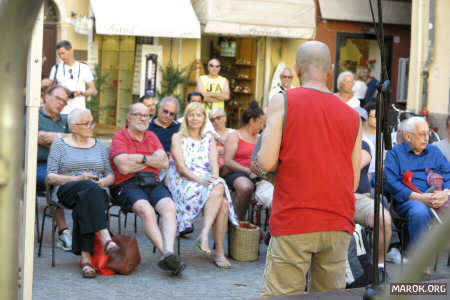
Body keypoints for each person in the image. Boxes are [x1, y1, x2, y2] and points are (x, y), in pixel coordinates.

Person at [256, 41, 362, 296]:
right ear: (331, 70)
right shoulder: (352, 116)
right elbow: (354, 182)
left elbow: (267, 162)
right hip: (337, 220)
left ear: (296, 68)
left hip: (296, 217)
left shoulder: (283, 101)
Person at [109, 103, 185, 275]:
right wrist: (150, 159)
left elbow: (164, 163)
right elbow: (123, 168)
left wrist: (138, 158)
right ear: (128, 117)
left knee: (169, 207)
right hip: (127, 184)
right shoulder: (119, 137)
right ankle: (167, 255)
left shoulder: (151, 136)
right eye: (138, 115)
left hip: (152, 182)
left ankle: (169, 253)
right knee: (147, 210)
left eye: (146, 116)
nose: (143, 119)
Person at [46, 108, 119, 278]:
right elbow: (50, 177)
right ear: (73, 127)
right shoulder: (59, 145)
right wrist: (78, 178)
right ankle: (105, 235)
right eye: (86, 123)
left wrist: (102, 182)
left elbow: (111, 175)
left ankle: (86, 259)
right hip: (68, 188)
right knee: (87, 187)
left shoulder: (99, 145)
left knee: (87, 196)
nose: (91, 126)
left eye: (91, 122)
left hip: (97, 191)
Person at [168, 102, 238, 268]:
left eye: (199, 115)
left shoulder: (209, 138)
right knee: (221, 200)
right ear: (186, 118)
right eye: (191, 115)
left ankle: (205, 234)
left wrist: (213, 178)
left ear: (203, 119)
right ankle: (218, 252)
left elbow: (214, 164)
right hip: (183, 181)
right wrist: (201, 181)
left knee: (220, 188)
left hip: (206, 179)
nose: (195, 118)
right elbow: (181, 168)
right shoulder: (177, 137)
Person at [385, 116, 449, 249]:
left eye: (428, 133)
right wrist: (420, 197)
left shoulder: (434, 151)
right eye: (422, 134)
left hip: (439, 197)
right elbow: (392, 183)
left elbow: (448, 174)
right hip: (409, 199)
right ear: (408, 137)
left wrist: (445, 193)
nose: (427, 138)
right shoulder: (395, 154)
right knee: (419, 211)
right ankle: (419, 262)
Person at [353, 106, 392, 283]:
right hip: (331, 199)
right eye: (354, 121)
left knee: (383, 218)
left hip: (357, 199)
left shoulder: (364, 144)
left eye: (360, 122)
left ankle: (380, 266)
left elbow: (358, 163)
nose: (357, 125)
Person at [37, 85, 72, 251]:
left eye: (64, 101)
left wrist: (54, 137)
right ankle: (64, 231)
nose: (61, 103)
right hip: (36, 165)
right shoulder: (33, 115)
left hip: (63, 166)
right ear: (46, 96)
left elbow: (78, 139)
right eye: (58, 98)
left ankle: (90, 232)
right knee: (54, 179)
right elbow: (37, 137)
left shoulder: (66, 120)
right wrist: (64, 140)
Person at [224, 101, 265, 221]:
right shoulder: (235, 135)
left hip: (255, 173)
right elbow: (228, 161)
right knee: (245, 187)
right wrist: (247, 170)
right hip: (236, 172)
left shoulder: (260, 138)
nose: (262, 127)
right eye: (260, 123)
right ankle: (237, 222)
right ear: (252, 121)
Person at [49, 40, 97, 114]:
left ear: (71, 51)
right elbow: (50, 90)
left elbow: (93, 91)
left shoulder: (84, 68)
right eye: (59, 54)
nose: (61, 56)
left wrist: (80, 93)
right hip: (60, 113)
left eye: (63, 53)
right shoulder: (56, 68)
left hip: (79, 113)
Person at [209, 108, 234, 174]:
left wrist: (217, 138)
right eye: (212, 120)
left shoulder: (233, 133)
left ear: (225, 118)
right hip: (212, 168)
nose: (215, 121)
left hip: (230, 168)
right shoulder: (208, 134)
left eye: (218, 118)